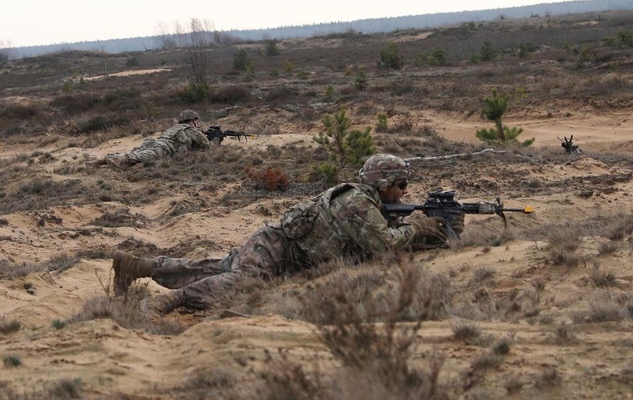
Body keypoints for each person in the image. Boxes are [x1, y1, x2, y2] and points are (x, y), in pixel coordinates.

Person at [111, 153, 447, 315]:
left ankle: (137, 266)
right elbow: (385, 245)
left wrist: (433, 227)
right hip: (275, 248)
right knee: (240, 281)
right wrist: (417, 226)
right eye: (402, 185)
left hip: (276, 246)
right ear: (383, 184)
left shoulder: (365, 201)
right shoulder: (357, 203)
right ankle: (168, 303)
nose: (404, 193)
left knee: (213, 268)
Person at [94, 109, 211, 168]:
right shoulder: (189, 129)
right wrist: (215, 140)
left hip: (153, 143)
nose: (198, 122)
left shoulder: (175, 127)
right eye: (196, 120)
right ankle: (119, 160)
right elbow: (206, 145)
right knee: (135, 157)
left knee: (137, 153)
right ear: (191, 120)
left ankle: (102, 161)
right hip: (162, 149)